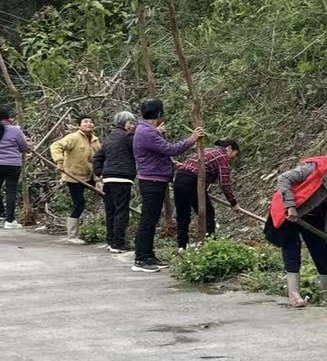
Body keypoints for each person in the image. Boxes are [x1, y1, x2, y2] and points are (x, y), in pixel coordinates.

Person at [266, 140, 327, 308]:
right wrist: (290, 206)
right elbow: (284, 178)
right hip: (292, 212)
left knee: (321, 251)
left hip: (315, 214)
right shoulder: (313, 168)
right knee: (292, 249)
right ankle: (294, 295)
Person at [131, 99, 205, 274]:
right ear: (159, 113)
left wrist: (170, 162)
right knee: (148, 220)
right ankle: (141, 258)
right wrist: (192, 138)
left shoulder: (147, 130)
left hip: (155, 179)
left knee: (152, 219)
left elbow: (158, 152)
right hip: (151, 180)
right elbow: (171, 149)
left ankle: (148, 255)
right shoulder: (147, 132)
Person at [173, 139, 240, 249]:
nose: (234, 158)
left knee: (182, 215)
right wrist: (233, 202)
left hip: (179, 178)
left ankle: (182, 246)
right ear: (229, 148)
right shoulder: (223, 157)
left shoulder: (207, 151)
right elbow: (224, 184)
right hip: (193, 181)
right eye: (235, 154)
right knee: (208, 213)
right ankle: (210, 245)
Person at [93, 112, 138, 255]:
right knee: (121, 211)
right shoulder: (128, 137)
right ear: (123, 123)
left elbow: (97, 157)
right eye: (130, 123)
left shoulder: (109, 138)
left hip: (108, 178)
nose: (132, 126)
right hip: (122, 178)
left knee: (111, 211)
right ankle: (118, 243)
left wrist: (100, 172)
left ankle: (110, 241)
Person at [50, 115, 99, 244]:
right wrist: (59, 162)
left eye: (91, 122)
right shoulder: (73, 137)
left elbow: (99, 158)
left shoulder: (95, 140)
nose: (89, 124)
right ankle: (72, 235)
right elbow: (56, 146)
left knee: (107, 195)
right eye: (85, 122)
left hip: (90, 175)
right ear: (79, 125)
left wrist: (99, 177)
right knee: (79, 204)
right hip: (73, 176)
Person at [0, 106, 29, 228]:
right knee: (11, 192)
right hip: (12, 165)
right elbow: (23, 147)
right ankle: (9, 220)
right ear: (8, 117)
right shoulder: (15, 130)